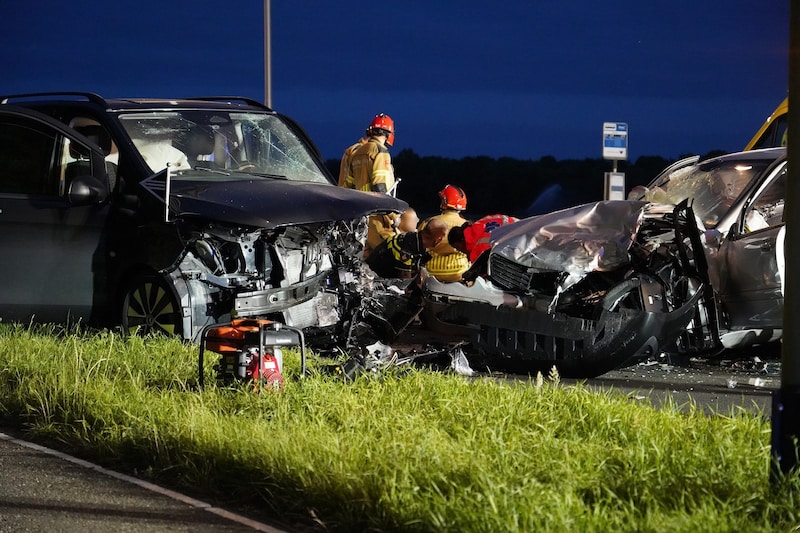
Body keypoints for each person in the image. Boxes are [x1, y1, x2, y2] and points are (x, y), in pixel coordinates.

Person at [342, 113, 399, 257]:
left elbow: (348, 185)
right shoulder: (381, 151)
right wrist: (392, 215)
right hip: (377, 213)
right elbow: (380, 186)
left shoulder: (357, 151)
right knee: (391, 254)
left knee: (365, 256)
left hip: (360, 212)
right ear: (388, 133)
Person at [418, 185, 471, 282]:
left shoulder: (428, 222)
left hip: (432, 272)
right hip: (459, 272)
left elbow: (418, 247)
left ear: (444, 201)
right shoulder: (467, 225)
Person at [365, 218, 448, 279]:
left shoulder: (415, 240)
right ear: (438, 240)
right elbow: (405, 279)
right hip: (373, 279)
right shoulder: (407, 248)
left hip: (382, 277)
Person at [448, 213, 519, 264]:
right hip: (525, 227)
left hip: (521, 249)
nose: (459, 251)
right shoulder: (480, 222)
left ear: (462, 240)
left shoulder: (478, 251)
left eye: (457, 247)